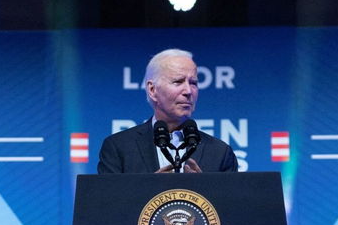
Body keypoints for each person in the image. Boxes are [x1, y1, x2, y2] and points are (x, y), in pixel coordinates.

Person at [97, 48, 238, 174]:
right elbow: (107, 202)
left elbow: (230, 203)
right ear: (152, 90)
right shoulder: (118, 148)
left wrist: (202, 189)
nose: (188, 91)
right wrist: (151, 190)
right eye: (178, 82)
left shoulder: (220, 153)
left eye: (193, 82)